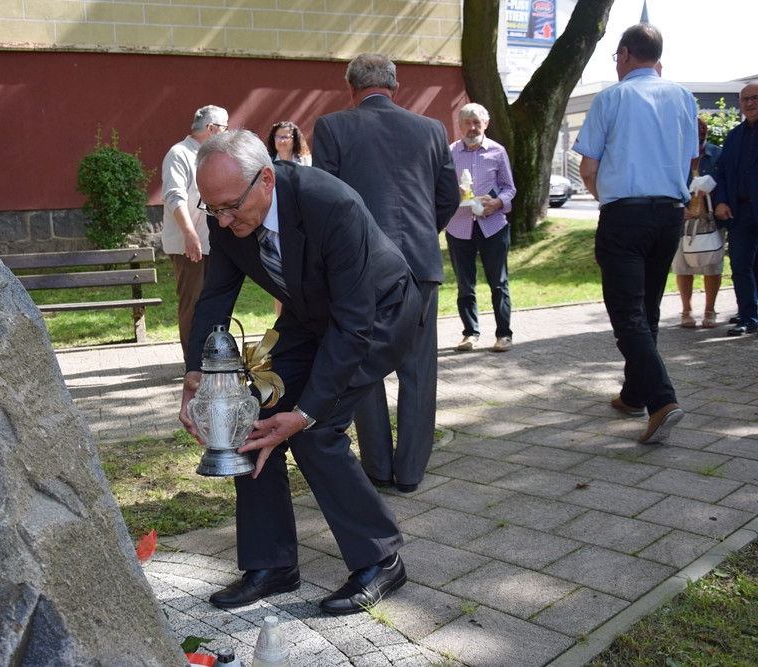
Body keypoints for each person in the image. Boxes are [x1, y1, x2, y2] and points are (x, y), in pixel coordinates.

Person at [180, 129, 422, 615]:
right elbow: (214, 299)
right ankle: (271, 564)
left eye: (230, 207)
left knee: (317, 430)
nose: (223, 221)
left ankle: (381, 560)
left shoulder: (331, 204)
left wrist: (307, 411)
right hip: (308, 317)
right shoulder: (226, 214)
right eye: (212, 210)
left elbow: (353, 326)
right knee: (246, 414)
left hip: (377, 315)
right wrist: (198, 378)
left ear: (266, 179)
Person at [311, 53, 459, 492]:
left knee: (365, 363)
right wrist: (419, 234)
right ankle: (411, 471)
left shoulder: (333, 127)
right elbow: (447, 197)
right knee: (418, 369)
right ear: (395, 85)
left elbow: (325, 200)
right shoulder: (432, 129)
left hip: (360, 266)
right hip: (420, 261)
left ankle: (377, 467)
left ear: (350, 86)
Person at [573, 23, 696, 445]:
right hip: (670, 215)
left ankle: (662, 400)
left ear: (625, 54)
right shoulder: (683, 97)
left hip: (625, 216)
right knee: (649, 308)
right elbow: (691, 164)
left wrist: (604, 196)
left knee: (627, 314)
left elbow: (587, 168)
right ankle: (635, 394)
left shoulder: (612, 96)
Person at [446, 103, 517, 352]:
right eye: (467, 122)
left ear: (485, 124)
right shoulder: (450, 152)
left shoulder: (497, 151)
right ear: (460, 125)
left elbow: (510, 187)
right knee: (465, 284)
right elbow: (441, 188)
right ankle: (470, 333)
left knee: (498, 283)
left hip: (493, 226)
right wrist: (455, 195)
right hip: (459, 226)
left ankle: (504, 335)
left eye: (477, 122)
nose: (472, 127)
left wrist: (498, 202)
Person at [160, 105, 229, 361]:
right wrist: (190, 234)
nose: (227, 132)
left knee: (214, 302)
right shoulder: (180, 153)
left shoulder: (210, 154)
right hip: (189, 243)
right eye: (225, 127)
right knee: (193, 304)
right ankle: (194, 364)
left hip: (213, 243)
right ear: (211, 128)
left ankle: (215, 357)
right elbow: (173, 196)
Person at [713, 82, 758, 337]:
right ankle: (749, 316)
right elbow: (722, 174)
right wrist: (720, 201)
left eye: (755, 98)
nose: (749, 103)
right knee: (740, 266)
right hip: (739, 212)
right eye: (744, 99)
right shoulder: (733, 136)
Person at [672, 117, 723, 329]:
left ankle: (710, 310)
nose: (698, 145)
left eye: (701, 140)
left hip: (710, 219)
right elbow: (668, 181)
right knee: (682, 265)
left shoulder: (717, 154)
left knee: (712, 265)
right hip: (683, 217)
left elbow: (727, 181)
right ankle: (686, 310)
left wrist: (715, 194)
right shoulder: (675, 154)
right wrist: (677, 205)